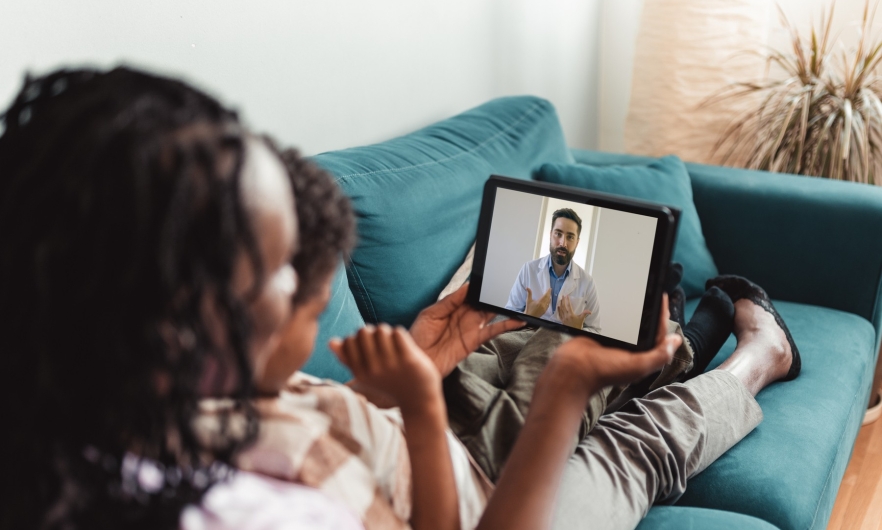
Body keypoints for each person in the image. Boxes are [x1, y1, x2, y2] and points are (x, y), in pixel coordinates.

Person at [505, 208, 601, 333]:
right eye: (558, 234)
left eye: (570, 237)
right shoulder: (528, 270)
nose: (563, 243)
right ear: (550, 235)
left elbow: (596, 330)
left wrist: (577, 330)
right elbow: (506, 316)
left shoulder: (587, 282)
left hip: (562, 345)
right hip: (526, 337)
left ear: (577, 243)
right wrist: (528, 315)